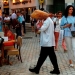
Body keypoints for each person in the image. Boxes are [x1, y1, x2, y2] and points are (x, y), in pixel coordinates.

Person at [29, 10, 60, 74]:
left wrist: (40, 25)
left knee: (45, 57)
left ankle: (55, 70)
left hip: (47, 42)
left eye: (39, 17)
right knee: (46, 56)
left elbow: (41, 29)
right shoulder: (48, 20)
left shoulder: (47, 21)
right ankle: (37, 69)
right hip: (48, 42)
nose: (39, 18)